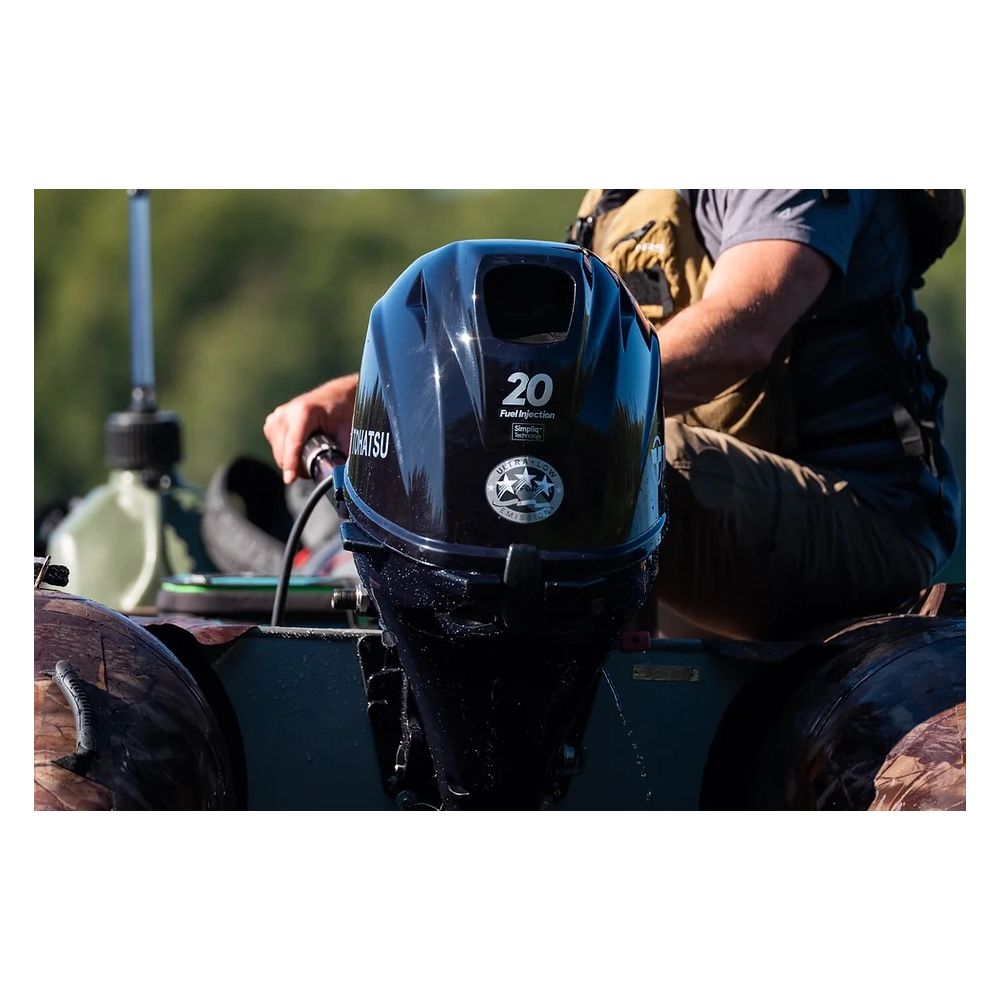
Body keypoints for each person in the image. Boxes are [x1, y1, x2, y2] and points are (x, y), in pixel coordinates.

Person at [264, 189, 962, 640]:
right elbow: (544, 344)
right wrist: (377, 393)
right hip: (716, 512)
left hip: (862, 517)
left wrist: (525, 418)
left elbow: (745, 329)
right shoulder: (618, 191)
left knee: (581, 459)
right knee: (524, 455)